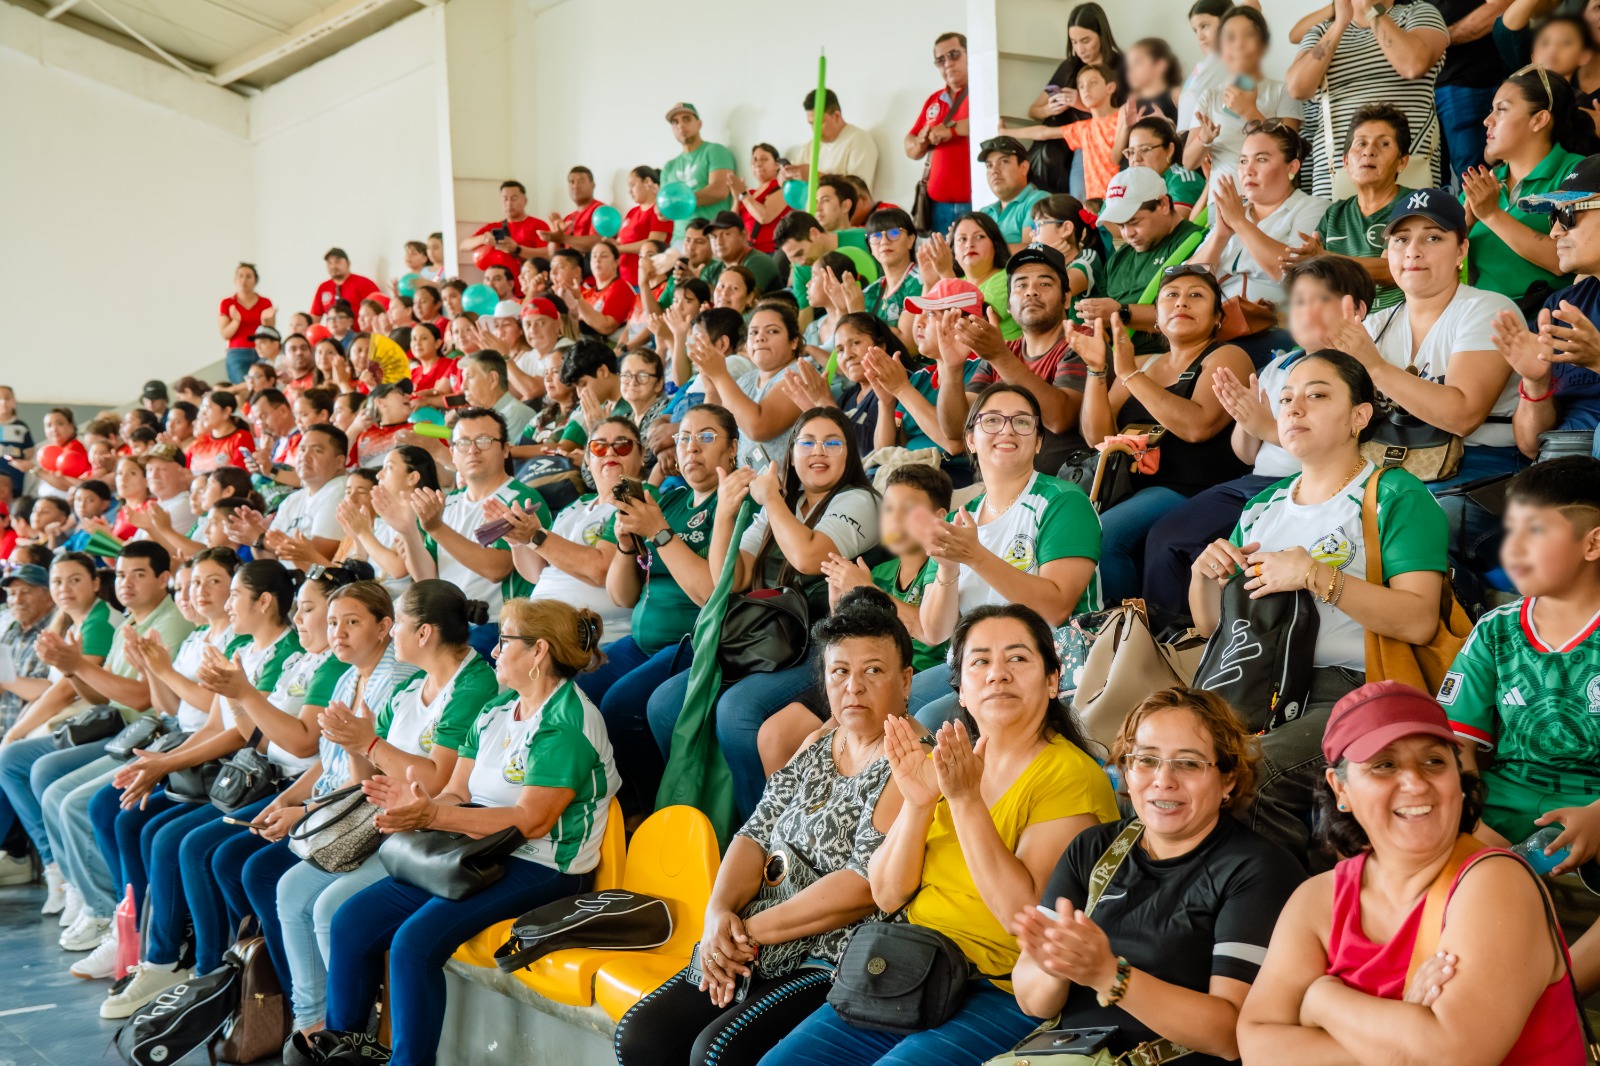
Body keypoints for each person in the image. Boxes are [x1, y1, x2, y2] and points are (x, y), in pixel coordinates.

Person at [761, 604, 1118, 1066]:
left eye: (1017, 658)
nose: (998, 674)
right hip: (908, 966)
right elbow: (887, 893)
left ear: (1053, 681)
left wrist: (966, 802)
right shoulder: (950, 761)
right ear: (962, 691)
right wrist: (918, 802)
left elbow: (1024, 919)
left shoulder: (1070, 775)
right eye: (980, 661)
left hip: (997, 987)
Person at [315, 598, 619, 1066]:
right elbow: (457, 792)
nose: (493, 651)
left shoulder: (567, 721)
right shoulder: (498, 709)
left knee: (413, 945)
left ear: (538, 651)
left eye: (504, 641)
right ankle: (343, 1052)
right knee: (352, 922)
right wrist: (418, 806)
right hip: (477, 850)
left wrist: (432, 818)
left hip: (544, 864)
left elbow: (531, 821)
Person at [614, 586, 907, 1066]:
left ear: (907, 681)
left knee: (716, 1054)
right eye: (840, 671)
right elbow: (755, 831)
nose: (853, 687)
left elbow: (862, 886)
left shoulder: (909, 761)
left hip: (828, 954)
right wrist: (717, 915)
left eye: (873, 671)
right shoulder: (818, 742)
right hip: (753, 936)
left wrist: (743, 933)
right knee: (642, 1037)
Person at [1237, 681, 1586, 1063]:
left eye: (1434, 761)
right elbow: (1257, 1047)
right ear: (1341, 790)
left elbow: (1450, 1057)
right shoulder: (1318, 899)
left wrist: (1322, 1001)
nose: (1416, 783)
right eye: (1384, 765)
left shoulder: (1496, 882)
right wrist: (1402, 1032)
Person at [1191, 350, 1448, 861]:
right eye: (1286, 397)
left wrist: (1314, 575)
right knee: (1164, 767)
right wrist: (1204, 574)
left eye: (1317, 395)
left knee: (1246, 780)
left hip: (1352, 686)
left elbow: (1419, 620)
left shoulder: (1393, 493)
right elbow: (1212, 625)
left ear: (1359, 416)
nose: (1294, 407)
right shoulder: (1262, 507)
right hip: (1256, 685)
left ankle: (1281, 908)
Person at [1013, 688, 1303, 1065]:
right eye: (1147, 760)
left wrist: (1109, 975)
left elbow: (1233, 1037)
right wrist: (1059, 964)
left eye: (1188, 763)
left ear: (1228, 779)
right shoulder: (1093, 849)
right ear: (1126, 769)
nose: (1163, 780)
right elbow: (1031, 1002)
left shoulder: (1258, 870)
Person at [277, 579, 497, 1039]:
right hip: (387, 821)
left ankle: (353, 1034)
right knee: (291, 888)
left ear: (424, 633)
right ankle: (312, 1021)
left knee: (333, 908)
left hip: (433, 832)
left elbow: (438, 782)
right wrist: (354, 742)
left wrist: (368, 742)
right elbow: (368, 777)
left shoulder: (474, 684)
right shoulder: (413, 685)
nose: (393, 632)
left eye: (399, 624)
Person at [646, 408, 882, 817]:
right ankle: (699, 818)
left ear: (850, 453)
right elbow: (731, 576)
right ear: (791, 454)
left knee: (738, 711)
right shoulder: (784, 504)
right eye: (806, 442)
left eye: (832, 442)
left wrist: (771, 499)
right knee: (664, 704)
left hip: (822, 645)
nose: (818, 451)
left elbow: (808, 556)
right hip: (765, 640)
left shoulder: (860, 500)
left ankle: (757, 828)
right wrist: (725, 513)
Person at [1144, 254, 1378, 613]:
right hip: (1255, 482)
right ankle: (1169, 634)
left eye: (1321, 299)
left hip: (1312, 485)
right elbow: (1246, 453)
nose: (1305, 312)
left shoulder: (1366, 365)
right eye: (1298, 301)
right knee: (1166, 537)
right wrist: (1247, 420)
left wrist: (1267, 426)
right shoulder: (1281, 364)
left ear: (1356, 309)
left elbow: (1345, 445)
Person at [66, 547, 246, 979]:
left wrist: (162, 671)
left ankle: (167, 946)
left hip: (215, 758)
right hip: (183, 740)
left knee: (149, 828)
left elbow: (215, 712)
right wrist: (151, 667)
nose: (199, 592)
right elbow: (170, 706)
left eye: (213, 582)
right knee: (112, 809)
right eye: (194, 583)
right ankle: (131, 925)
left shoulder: (234, 641)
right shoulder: (198, 636)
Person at [1440, 458, 1600, 868]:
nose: (1513, 550)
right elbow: (1455, 744)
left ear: (1593, 544)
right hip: (1502, 799)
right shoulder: (1496, 629)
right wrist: (1470, 820)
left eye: (1536, 532)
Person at [912, 384, 1102, 725]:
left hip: (1050, 663)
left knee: (927, 719)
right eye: (992, 420)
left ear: (1038, 441)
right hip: (975, 666)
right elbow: (934, 630)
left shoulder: (1063, 501)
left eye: (1022, 422)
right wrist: (947, 569)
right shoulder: (959, 519)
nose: (1007, 430)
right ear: (970, 439)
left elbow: (1056, 608)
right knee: (894, 703)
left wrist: (975, 556)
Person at [577, 405, 730, 810]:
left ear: (732, 448)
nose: (692, 447)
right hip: (642, 641)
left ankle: (645, 811)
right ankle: (605, 805)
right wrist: (626, 543)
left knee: (621, 706)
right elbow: (623, 596)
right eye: (683, 438)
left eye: (706, 437)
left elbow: (710, 593)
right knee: (575, 688)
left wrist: (659, 532)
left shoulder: (733, 501)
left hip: (694, 641)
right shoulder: (671, 500)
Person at [1076, 266, 1255, 604]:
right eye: (1171, 295)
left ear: (1217, 317)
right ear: (1157, 318)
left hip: (1194, 487)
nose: (1181, 302)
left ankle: (1128, 626)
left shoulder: (1227, 356)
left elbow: (1197, 427)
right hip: (1129, 488)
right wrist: (1097, 370)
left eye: (1196, 295)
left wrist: (1129, 375)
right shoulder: (1142, 363)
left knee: (1104, 535)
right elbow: (1097, 435)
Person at [932, 244, 1087, 474]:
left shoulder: (1082, 341)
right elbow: (955, 429)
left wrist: (999, 356)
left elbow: (1060, 419)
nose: (1031, 291)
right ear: (1008, 305)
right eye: (1021, 285)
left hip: (1058, 487)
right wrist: (952, 368)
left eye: (1045, 284)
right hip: (995, 486)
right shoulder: (1001, 351)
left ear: (1066, 299)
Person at [1190, 122, 1331, 366]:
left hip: (1276, 328)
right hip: (1215, 327)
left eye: (1261, 160)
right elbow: (1189, 278)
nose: (1248, 170)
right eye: (1243, 161)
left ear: (1292, 167)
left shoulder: (1312, 207)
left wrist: (1239, 222)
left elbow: (1290, 271)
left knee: (1212, 366)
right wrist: (1221, 235)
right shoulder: (1234, 211)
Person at [389, 409, 549, 616]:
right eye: (463, 443)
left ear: (505, 449)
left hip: (497, 623)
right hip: (449, 622)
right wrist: (408, 531)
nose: (473, 450)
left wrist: (437, 529)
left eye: (484, 441)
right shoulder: (447, 503)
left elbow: (496, 570)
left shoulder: (520, 499)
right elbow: (428, 578)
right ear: (452, 454)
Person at [1494, 155, 1600, 461]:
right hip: (1563, 466)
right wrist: (1536, 383)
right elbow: (1530, 446)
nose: (1555, 232)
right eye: (1552, 217)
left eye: (1567, 214)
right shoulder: (1563, 306)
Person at [1286, 0, 1449, 198]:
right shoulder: (1321, 31)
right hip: (1334, 174)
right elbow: (1297, 88)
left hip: (1407, 166)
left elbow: (1413, 65)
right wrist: (1339, 24)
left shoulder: (1418, 12)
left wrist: (1373, 11)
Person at [1464, 66, 1584, 304]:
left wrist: (1492, 215)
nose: (1487, 121)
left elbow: (1567, 260)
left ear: (1539, 120)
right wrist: (1462, 228)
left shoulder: (1577, 172)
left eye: (1502, 110)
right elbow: (1454, 276)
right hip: (1478, 315)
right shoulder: (1483, 183)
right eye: (1491, 110)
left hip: (1547, 315)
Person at [1287, 103, 1414, 312]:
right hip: (1338, 322)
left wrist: (1326, 259)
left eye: (1383, 144)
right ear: (1345, 162)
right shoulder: (1334, 214)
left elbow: (1393, 270)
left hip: (1395, 319)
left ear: (1402, 161)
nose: (1369, 151)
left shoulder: (1412, 204)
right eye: (1361, 143)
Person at [1077, 168, 1205, 355]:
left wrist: (1120, 313)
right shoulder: (1118, 259)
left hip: (1167, 359)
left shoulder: (1197, 244)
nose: (1127, 234)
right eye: (1121, 225)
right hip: (1116, 359)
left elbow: (1191, 316)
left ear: (1163, 204)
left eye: (1134, 222)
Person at [1184, 6, 1302, 182]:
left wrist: (1250, 112)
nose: (1239, 44)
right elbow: (1188, 162)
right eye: (1230, 37)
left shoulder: (1283, 91)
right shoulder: (1210, 96)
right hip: (1220, 196)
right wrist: (1205, 138)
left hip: (1270, 196)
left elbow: (1292, 152)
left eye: (1248, 34)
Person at [694, 302, 808, 472]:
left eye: (772, 331)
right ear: (746, 345)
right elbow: (713, 430)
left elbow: (758, 428)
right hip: (745, 482)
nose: (760, 338)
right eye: (753, 332)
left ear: (793, 341)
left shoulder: (799, 375)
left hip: (782, 485)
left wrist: (720, 375)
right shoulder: (746, 380)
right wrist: (711, 386)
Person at [225, 424, 350, 570]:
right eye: (302, 450)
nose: (305, 457)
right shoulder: (293, 499)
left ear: (339, 462)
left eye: (317, 450)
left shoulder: (342, 491)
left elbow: (319, 556)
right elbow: (268, 559)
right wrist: (257, 537)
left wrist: (261, 538)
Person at [1007, 63, 1123, 202]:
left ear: (1110, 87)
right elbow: (1044, 133)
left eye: (1093, 83)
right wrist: (1005, 132)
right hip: (1095, 204)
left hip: (1122, 196)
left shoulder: (1123, 117)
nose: (1086, 89)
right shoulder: (1083, 128)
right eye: (1081, 86)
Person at [1435, 0, 1514, 181]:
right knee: (1430, 179)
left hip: (1469, 80)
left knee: (1475, 175)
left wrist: (1434, 38)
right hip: (1417, 84)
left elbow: (1501, 5)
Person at [906, 32, 973, 236]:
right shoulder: (934, 99)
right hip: (937, 204)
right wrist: (919, 143)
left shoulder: (982, 90)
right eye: (940, 60)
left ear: (969, 53)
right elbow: (909, 142)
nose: (948, 64)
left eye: (954, 55)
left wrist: (951, 130)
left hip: (974, 201)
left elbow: (987, 124)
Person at [662, 102, 738, 244]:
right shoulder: (669, 167)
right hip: (680, 240)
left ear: (699, 123)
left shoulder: (715, 151)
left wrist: (679, 201)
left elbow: (719, 191)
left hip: (712, 236)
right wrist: (661, 210)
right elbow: (665, 206)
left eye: (686, 119)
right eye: (675, 122)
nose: (681, 125)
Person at [780, 89, 881, 189]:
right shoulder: (811, 146)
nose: (815, 131)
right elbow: (786, 176)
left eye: (820, 123)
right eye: (811, 124)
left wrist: (815, 176)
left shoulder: (859, 140)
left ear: (836, 116)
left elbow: (859, 191)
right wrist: (783, 175)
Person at [972, 137, 1049, 251]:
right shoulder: (985, 212)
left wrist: (983, 252)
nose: (994, 171)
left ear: (1024, 167)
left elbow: (1032, 251)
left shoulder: (1039, 200)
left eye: (1004, 161)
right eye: (989, 166)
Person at [1120, 117, 1206, 218]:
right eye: (1131, 152)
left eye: (1145, 149)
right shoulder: (1128, 182)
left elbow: (1173, 223)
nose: (1136, 158)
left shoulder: (1182, 180)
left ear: (1169, 150)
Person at [461, 180, 549, 266]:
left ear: (525, 200)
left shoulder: (538, 225)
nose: (509, 203)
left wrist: (517, 249)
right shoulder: (494, 227)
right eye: (505, 199)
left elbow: (548, 253)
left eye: (514, 198)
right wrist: (483, 239)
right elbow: (463, 245)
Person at [460, 349, 536, 445]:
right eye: (463, 378)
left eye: (470, 377)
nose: (463, 386)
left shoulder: (516, 414)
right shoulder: (482, 417)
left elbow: (501, 454)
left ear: (492, 379)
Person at [220, 262, 275, 385]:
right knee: (243, 387)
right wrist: (236, 321)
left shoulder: (265, 302)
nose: (244, 280)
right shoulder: (227, 303)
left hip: (262, 351)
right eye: (240, 276)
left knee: (264, 385)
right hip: (237, 353)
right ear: (235, 279)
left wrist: (265, 320)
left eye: (248, 276)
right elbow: (225, 334)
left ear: (255, 280)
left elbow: (270, 332)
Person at [616, 165, 672, 287]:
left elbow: (654, 243)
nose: (630, 191)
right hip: (625, 280)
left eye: (633, 185)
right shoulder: (632, 212)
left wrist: (619, 249)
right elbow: (622, 240)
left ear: (647, 182)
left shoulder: (660, 211)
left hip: (648, 282)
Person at [733, 143, 791, 255]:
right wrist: (736, 198)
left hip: (770, 253)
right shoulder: (750, 193)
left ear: (776, 165)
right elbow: (730, 224)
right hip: (746, 253)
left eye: (764, 159)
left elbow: (764, 217)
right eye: (754, 159)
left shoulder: (782, 187)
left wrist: (743, 195)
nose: (758, 163)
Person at [706, 210, 780, 294]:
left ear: (744, 235)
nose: (719, 242)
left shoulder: (758, 262)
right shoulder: (712, 271)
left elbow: (743, 299)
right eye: (713, 237)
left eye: (726, 234)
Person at [187, 391, 256, 475]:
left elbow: (238, 475)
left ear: (226, 411)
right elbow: (184, 471)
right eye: (202, 408)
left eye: (207, 408)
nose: (203, 413)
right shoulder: (199, 441)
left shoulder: (241, 438)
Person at [29, 407, 90, 500]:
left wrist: (35, 469)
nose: (54, 429)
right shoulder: (51, 451)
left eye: (60, 423)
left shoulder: (74, 450)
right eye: (49, 425)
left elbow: (66, 484)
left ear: (71, 426)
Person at [310, 248, 380, 320]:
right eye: (329, 263)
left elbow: (379, 312)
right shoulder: (323, 287)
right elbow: (314, 318)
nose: (333, 266)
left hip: (359, 327)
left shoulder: (364, 283)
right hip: (332, 327)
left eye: (338, 262)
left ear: (348, 263)